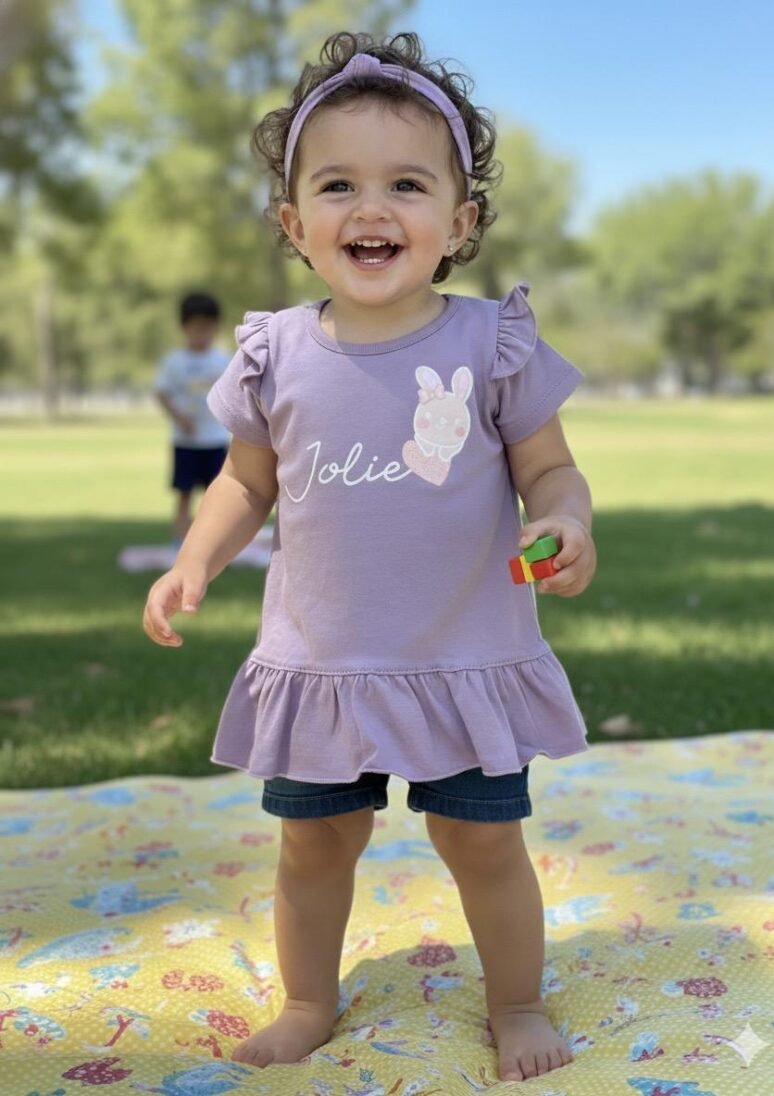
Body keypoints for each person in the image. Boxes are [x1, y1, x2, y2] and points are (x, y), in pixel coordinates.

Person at [142, 31, 597, 1083]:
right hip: (323, 663)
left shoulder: (492, 345)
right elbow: (244, 484)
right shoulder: (276, 355)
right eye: (337, 184)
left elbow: (551, 472)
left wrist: (567, 522)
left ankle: (516, 1001)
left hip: (461, 656)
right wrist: (193, 560)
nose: (371, 208)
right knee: (315, 845)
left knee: (482, 842)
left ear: (459, 221)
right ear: (295, 225)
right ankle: (308, 997)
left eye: (406, 183)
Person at [153, 292, 230, 544]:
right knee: (184, 495)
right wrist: (179, 417)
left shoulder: (222, 360)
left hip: (216, 440)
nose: (202, 334)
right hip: (186, 442)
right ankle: (179, 542)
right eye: (196, 328)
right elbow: (162, 393)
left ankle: (214, 545)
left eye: (207, 328)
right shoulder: (174, 362)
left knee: (216, 497)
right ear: (184, 327)